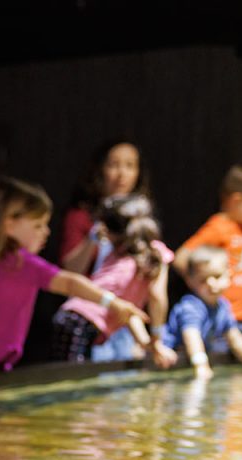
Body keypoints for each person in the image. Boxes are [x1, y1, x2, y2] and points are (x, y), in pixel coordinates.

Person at [0, 178, 147, 376]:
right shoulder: (20, 263)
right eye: (38, 225)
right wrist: (114, 303)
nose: (46, 232)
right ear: (9, 225)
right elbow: (70, 282)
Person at [51, 193, 177, 367]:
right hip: (80, 321)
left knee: (75, 379)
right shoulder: (156, 255)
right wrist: (156, 336)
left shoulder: (120, 255)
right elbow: (157, 296)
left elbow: (127, 310)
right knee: (73, 381)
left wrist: (148, 343)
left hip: (72, 319)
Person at [57, 140, 152, 362]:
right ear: (99, 170)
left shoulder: (142, 219)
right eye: (114, 165)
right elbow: (69, 271)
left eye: (130, 165)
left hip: (127, 322)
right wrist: (93, 240)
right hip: (90, 318)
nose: (122, 174)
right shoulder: (81, 216)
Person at [174, 165, 242, 345]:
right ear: (236, 200)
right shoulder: (219, 226)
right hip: (224, 319)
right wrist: (203, 286)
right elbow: (181, 258)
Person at [164, 246, 242, 379]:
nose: (211, 283)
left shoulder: (222, 306)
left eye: (217, 276)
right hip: (171, 360)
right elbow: (192, 336)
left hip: (190, 362)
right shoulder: (191, 306)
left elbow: (235, 338)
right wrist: (201, 366)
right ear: (190, 281)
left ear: (229, 274)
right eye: (203, 279)